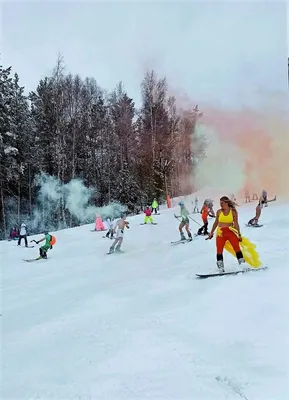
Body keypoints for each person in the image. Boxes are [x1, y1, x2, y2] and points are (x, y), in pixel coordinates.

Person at [206, 196, 245, 272]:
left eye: (222, 203)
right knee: (219, 250)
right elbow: (216, 223)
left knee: (236, 248)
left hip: (230, 232)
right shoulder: (219, 212)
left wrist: (239, 235)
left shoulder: (233, 212)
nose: (221, 205)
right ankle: (221, 268)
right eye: (220, 203)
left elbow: (236, 224)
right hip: (220, 233)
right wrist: (211, 233)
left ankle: (242, 264)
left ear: (227, 203)